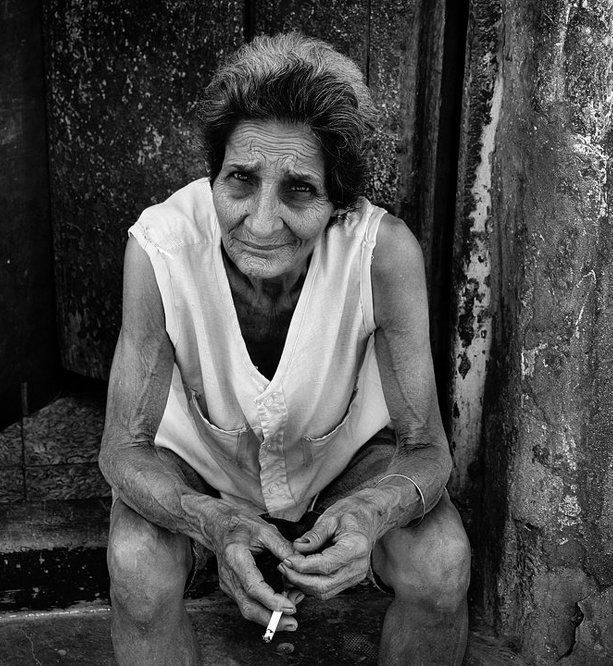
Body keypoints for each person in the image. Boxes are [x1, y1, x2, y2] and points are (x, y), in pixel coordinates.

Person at [99, 32, 471, 665]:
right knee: (136, 568)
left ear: (338, 199)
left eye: (299, 189)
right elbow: (123, 450)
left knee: (440, 564)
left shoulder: (383, 254)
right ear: (212, 175)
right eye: (239, 181)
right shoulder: (159, 248)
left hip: (341, 468)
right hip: (203, 471)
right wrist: (212, 523)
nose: (262, 222)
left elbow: (427, 450)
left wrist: (370, 516)